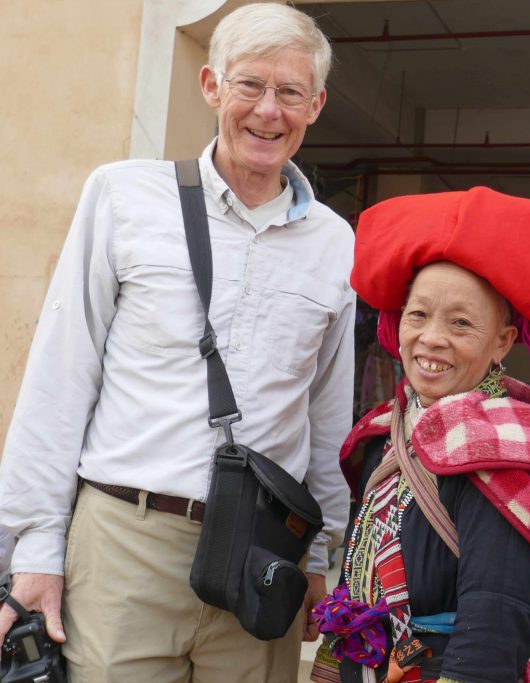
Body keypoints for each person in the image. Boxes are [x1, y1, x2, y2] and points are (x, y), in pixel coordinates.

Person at [0, 4, 354, 680]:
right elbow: (61, 374)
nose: (268, 111)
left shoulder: (337, 244)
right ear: (211, 86)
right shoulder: (123, 195)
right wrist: (36, 547)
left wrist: (320, 560)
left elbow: (327, 415)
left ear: (316, 105)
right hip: (124, 545)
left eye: (289, 92)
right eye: (250, 85)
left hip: (263, 553)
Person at [309, 187, 530, 683]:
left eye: (461, 323)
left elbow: (493, 628)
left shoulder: (493, 455)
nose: (431, 337)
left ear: (502, 342)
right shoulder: (389, 430)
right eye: (418, 314)